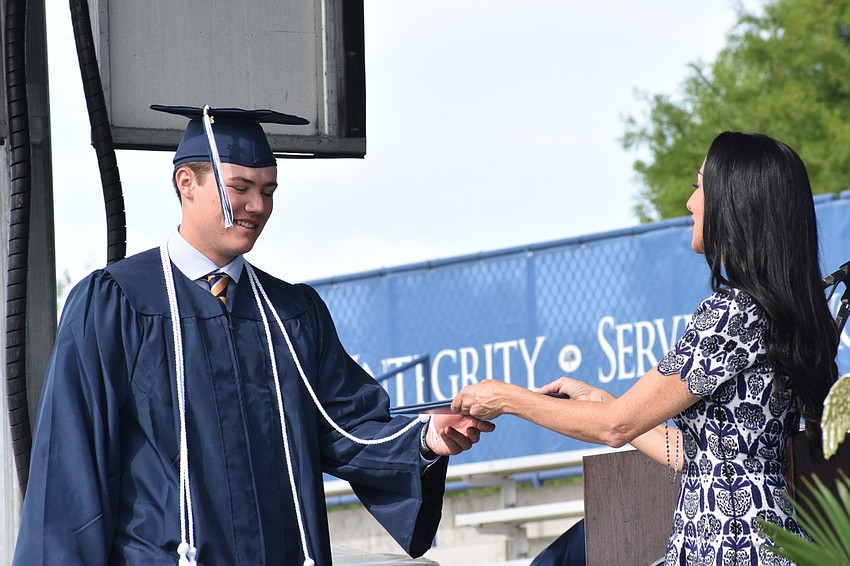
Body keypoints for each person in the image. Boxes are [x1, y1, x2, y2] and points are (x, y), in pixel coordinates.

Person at [13, 104, 494, 566]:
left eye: (269, 190)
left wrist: (427, 438)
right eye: (240, 187)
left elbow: (346, 425)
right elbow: (71, 466)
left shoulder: (290, 314)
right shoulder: (117, 303)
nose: (257, 206)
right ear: (187, 183)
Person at [452, 132, 839, 565]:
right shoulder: (783, 312)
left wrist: (504, 397)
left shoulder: (732, 311)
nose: (690, 203)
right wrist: (605, 402)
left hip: (726, 549)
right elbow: (702, 455)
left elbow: (614, 428)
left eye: (699, 187)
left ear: (735, 202)